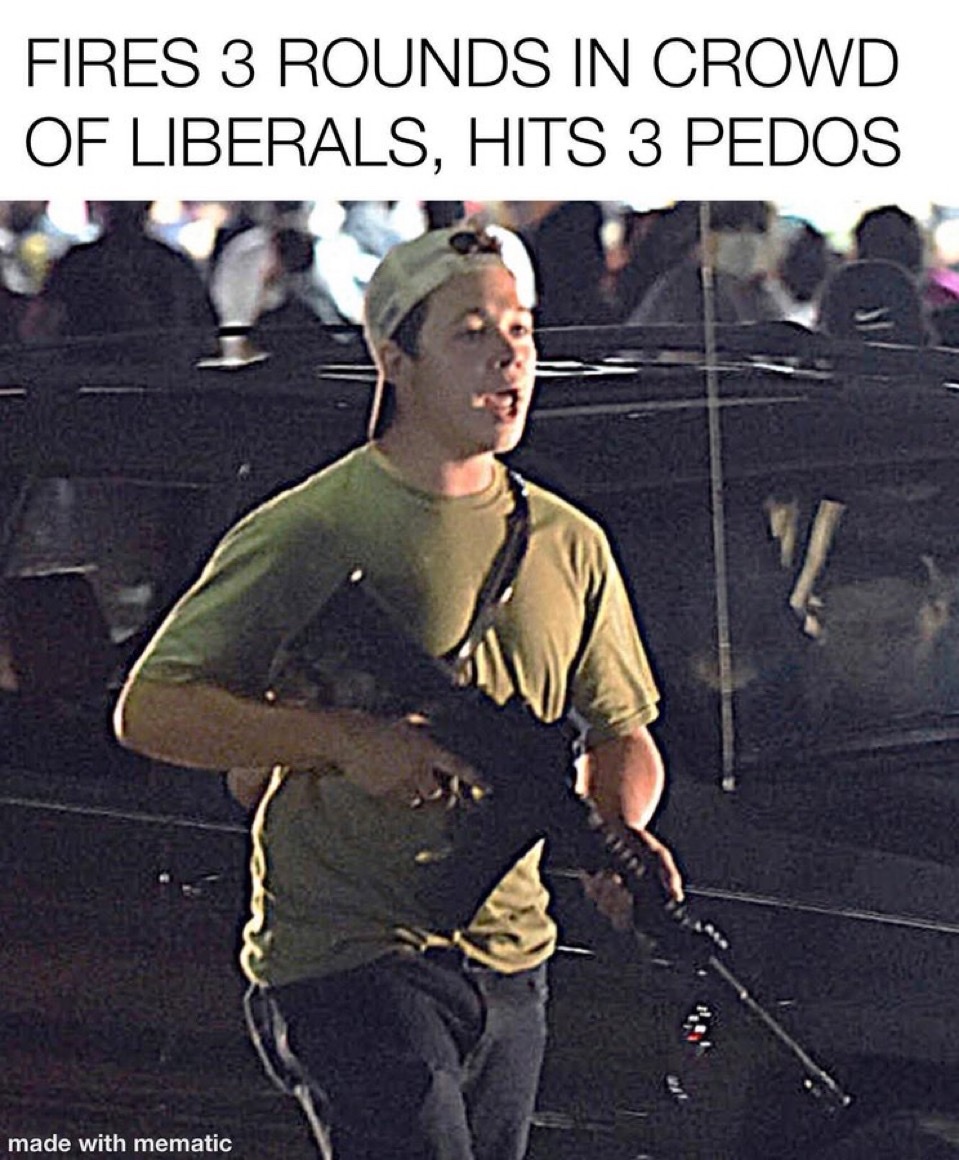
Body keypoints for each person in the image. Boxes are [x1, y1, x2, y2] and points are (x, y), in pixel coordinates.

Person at [113, 223, 682, 1159]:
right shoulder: (315, 526)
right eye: (470, 332)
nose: (508, 356)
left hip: (511, 960)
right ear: (394, 359)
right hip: (348, 957)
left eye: (520, 329)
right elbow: (152, 707)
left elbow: (621, 730)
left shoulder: (566, 542)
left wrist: (616, 832)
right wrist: (343, 740)